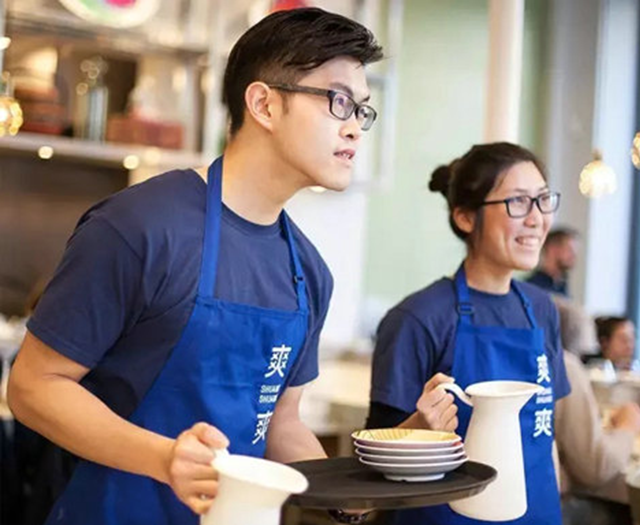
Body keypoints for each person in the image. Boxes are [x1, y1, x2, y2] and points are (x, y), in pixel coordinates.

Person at [8, 8, 382, 525]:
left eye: (362, 110)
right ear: (264, 104)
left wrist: (348, 494)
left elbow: (280, 425)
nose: (355, 129)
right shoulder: (139, 227)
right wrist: (165, 459)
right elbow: (33, 387)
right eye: (338, 101)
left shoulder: (310, 272)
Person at [367, 142, 571, 524]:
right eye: (518, 202)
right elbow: (375, 467)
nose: (536, 218)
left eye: (543, 200)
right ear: (465, 217)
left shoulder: (542, 309)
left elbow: (546, 439)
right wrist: (416, 430)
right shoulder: (418, 317)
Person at [552, 297, 640, 525]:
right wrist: (627, 428)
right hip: (556, 507)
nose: (630, 345)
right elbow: (594, 468)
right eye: (623, 339)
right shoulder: (565, 366)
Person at [525, 227, 579, 296]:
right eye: (569, 250)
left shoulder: (562, 285)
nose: (574, 256)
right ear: (552, 249)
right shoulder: (531, 287)